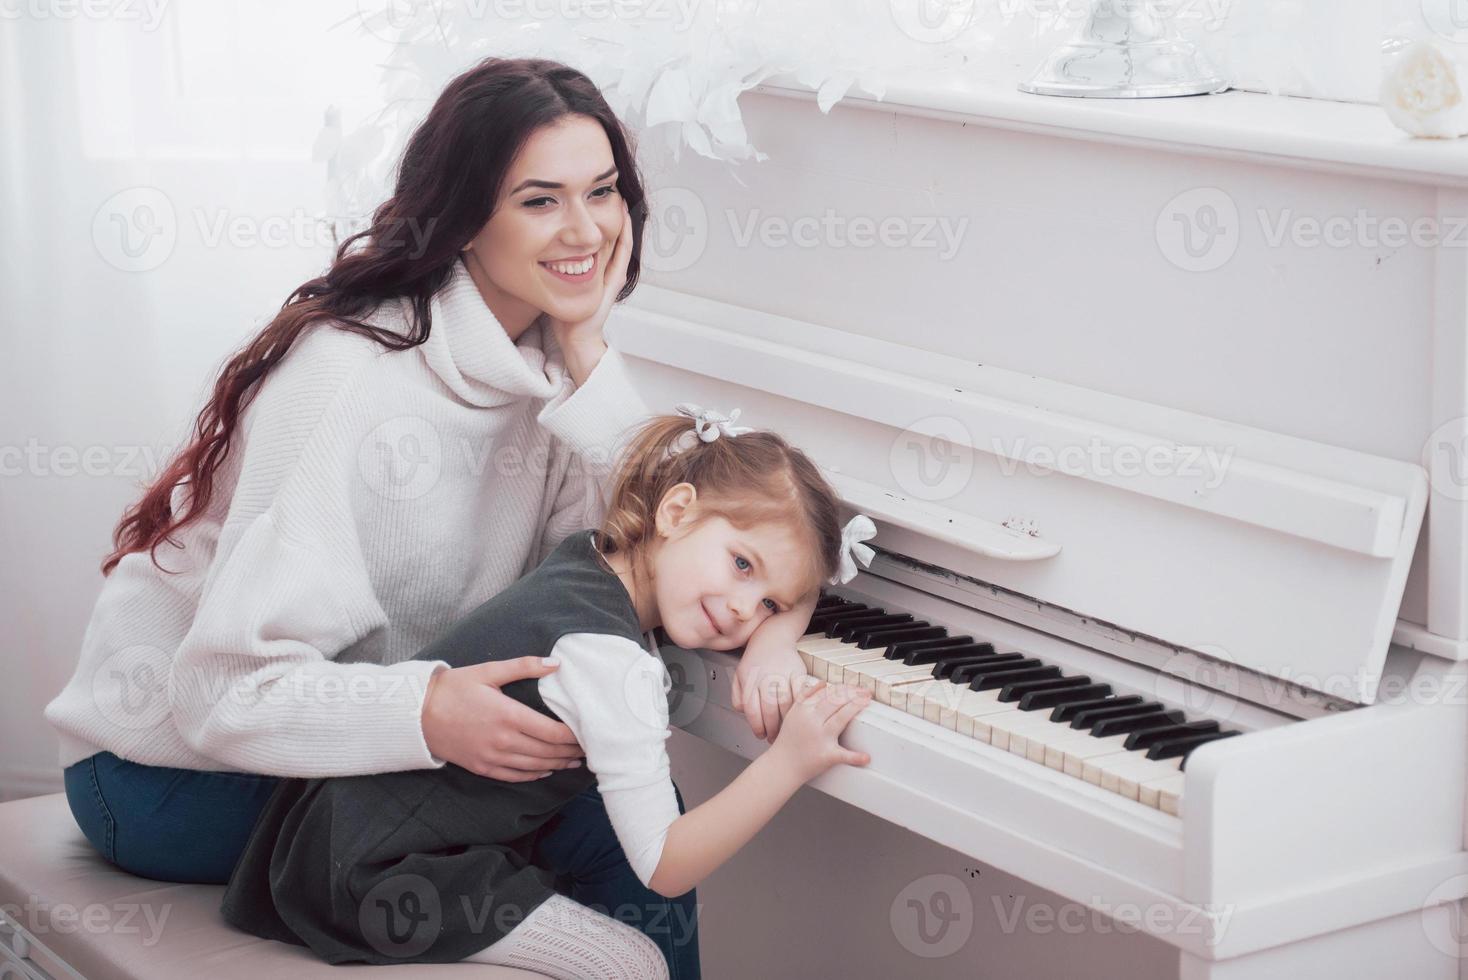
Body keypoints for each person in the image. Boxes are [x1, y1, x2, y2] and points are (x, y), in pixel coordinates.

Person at [41, 57, 815, 976]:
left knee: (618, 798)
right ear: (463, 217)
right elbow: (218, 694)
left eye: (603, 192)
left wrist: (774, 635)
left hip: (344, 731)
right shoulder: (350, 376)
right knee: (607, 808)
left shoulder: (548, 366)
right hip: (170, 775)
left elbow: (668, 535)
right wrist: (427, 710)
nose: (588, 230)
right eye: (540, 201)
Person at [219, 407, 877, 979]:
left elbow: (784, 575)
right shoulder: (611, 663)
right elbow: (666, 865)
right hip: (379, 875)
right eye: (741, 565)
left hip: (338, 832)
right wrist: (787, 763)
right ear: (676, 512)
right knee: (635, 963)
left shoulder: (589, 555)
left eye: (768, 603)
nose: (741, 612)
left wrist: (779, 626)